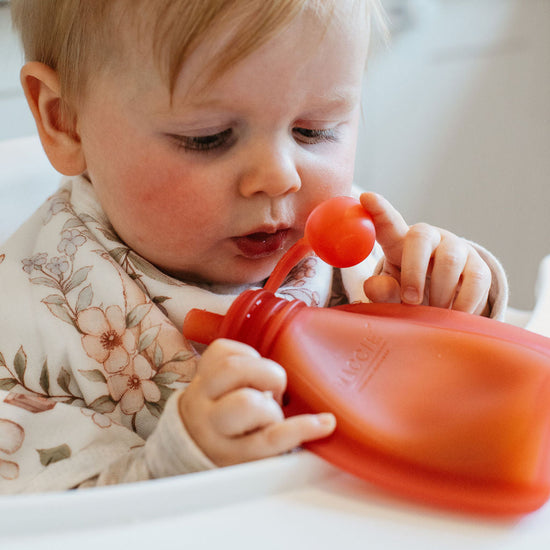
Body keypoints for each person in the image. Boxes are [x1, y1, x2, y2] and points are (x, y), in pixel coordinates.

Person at [0, 0, 507, 492]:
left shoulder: (346, 241)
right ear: (64, 119)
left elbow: (448, 386)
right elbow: (47, 514)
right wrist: (179, 461)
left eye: (315, 131)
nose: (278, 176)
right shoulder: (27, 315)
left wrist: (451, 292)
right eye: (209, 137)